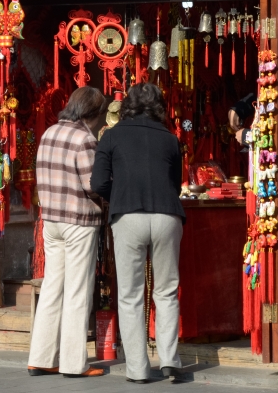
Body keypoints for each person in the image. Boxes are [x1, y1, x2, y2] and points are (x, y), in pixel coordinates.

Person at [91, 83, 185, 384]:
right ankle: (170, 360)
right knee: (167, 291)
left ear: (127, 105)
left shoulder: (112, 136)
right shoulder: (170, 139)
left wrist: (119, 194)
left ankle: (138, 369)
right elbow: (176, 182)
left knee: (131, 296)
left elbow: (98, 183)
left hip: (128, 215)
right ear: (159, 106)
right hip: (167, 215)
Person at [28, 86, 108, 378]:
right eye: (100, 114)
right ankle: (74, 363)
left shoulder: (49, 133)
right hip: (78, 221)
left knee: (52, 287)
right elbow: (93, 185)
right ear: (92, 113)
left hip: (51, 220)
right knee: (77, 291)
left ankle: (40, 357)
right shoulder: (84, 139)